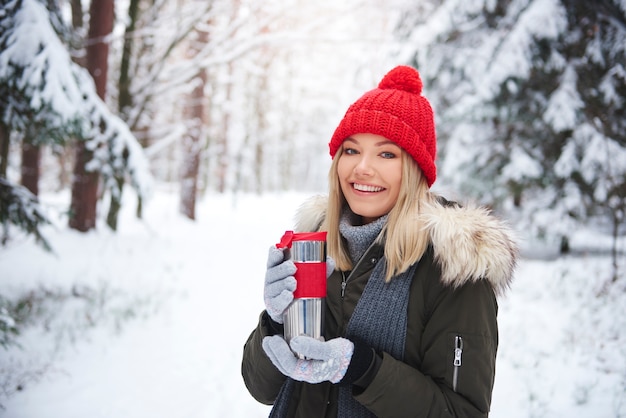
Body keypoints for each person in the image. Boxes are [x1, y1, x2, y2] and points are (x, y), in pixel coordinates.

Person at [241, 65, 518, 417]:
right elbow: (260, 388)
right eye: (351, 150)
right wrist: (276, 321)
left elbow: (461, 412)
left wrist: (363, 369)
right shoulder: (316, 248)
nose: (362, 168)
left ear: (415, 169)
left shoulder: (454, 267)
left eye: (387, 154)